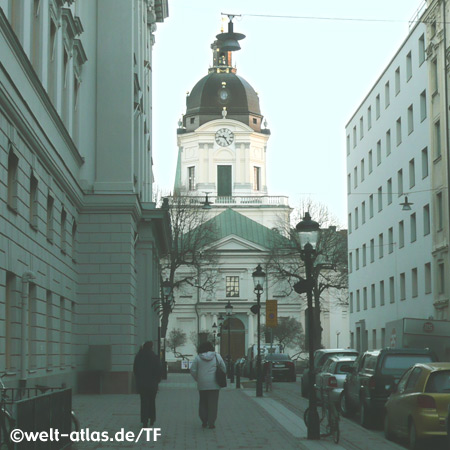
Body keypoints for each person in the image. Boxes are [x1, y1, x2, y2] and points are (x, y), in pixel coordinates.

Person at [190, 341, 226, 429]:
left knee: (203, 402)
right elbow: (223, 368)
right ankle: (211, 422)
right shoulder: (217, 356)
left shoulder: (198, 358)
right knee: (213, 403)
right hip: (215, 384)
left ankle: (204, 421)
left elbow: (192, 370)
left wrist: (198, 378)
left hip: (202, 383)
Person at [133, 341, 161, 428]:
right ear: (151, 347)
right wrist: (157, 381)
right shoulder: (155, 357)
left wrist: (138, 379)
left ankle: (144, 421)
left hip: (142, 384)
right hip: (152, 384)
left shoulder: (139, 356)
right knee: (152, 401)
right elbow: (159, 370)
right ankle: (152, 419)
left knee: (144, 402)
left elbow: (135, 369)